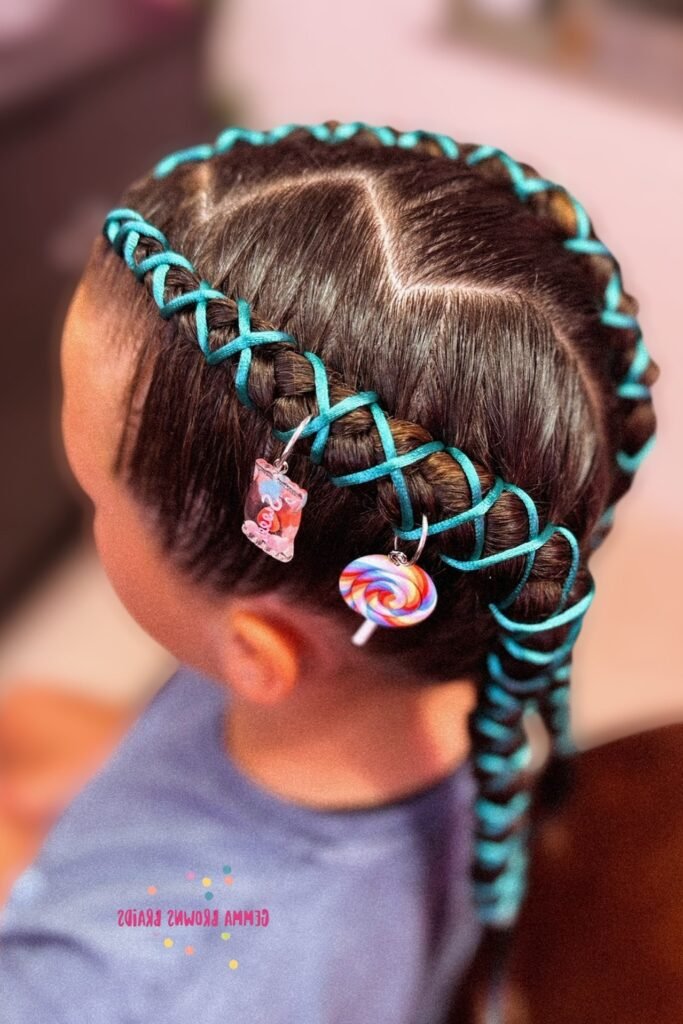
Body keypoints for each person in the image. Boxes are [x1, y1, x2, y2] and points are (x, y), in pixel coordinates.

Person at [0, 120, 658, 1023]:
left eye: (94, 495)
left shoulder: (110, 988)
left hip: (179, 928)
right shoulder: (435, 652)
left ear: (257, 654)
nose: (90, 516)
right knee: (24, 711)